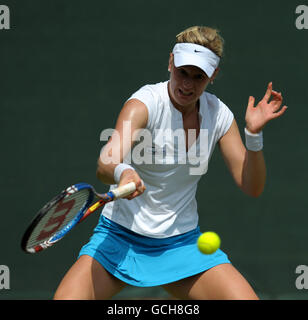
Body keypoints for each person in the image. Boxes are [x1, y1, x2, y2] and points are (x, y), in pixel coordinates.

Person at [53, 26, 287, 300]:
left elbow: (252, 186)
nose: (187, 85)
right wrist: (124, 170)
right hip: (119, 239)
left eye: (198, 76)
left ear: (213, 76)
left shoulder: (219, 115)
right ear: (170, 63)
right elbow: (106, 163)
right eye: (182, 72)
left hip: (182, 244)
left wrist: (254, 135)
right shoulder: (144, 104)